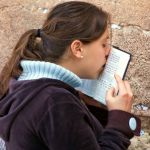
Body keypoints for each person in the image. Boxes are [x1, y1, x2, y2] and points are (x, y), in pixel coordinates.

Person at [0, 1, 141, 150]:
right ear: (78, 49)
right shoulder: (56, 101)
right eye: (103, 44)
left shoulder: (21, 80)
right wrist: (119, 119)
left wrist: (88, 106)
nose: (109, 52)